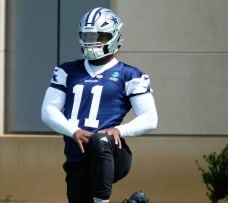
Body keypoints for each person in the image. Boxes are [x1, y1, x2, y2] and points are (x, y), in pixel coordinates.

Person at [41, 7, 158, 203]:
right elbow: (48, 111)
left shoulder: (129, 75)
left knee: (99, 140)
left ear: (114, 37)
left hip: (111, 154)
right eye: (87, 36)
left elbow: (150, 118)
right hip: (77, 158)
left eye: (99, 36)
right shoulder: (67, 71)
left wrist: (119, 130)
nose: (92, 42)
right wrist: (74, 131)